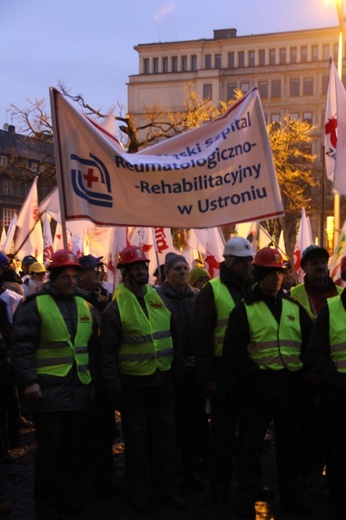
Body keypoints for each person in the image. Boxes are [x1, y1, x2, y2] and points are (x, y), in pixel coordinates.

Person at [223, 247, 313, 519]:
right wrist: (257, 379)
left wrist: (299, 379)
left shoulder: (294, 309)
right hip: (257, 392)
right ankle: (244, 500)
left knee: (290, 449)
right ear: (259, 274)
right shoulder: (244, 310)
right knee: (250, 448)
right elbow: (234, 353)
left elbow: (309, 347)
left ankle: (292, 498)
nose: (276, 278)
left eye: (280, 273)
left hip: (289, 389)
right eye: (271, 273)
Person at [10, 249, 99, 520]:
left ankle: (67, 498)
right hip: (47, 394)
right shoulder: (34, 305)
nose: (72, 280)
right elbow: (22, 347)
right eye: (66, 276)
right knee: (50, 454)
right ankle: (45, 503)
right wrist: (29, 382)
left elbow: (93, 348)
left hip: (78, 391)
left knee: (73, 451)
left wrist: (93, 381)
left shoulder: (85, 306)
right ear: (54, 277)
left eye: (75, 275)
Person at [100, 246, 186, 512]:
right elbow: (107, 354)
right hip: (133, 387)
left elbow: (175, 339)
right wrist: (114, 390)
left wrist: (177, 373)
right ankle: (139, 491)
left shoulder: (160, 300)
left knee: (166, 440)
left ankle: (168, 490)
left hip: (162, 383)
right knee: (136, 444)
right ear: (125, 273)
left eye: (143, 266)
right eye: (135, 267)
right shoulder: (114, 309)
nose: (141, 271)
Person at [193, 236, 254, 504]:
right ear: (230, 262)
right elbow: (202, 335)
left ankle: (248, 485)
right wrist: (207, 376)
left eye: (250, 261)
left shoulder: (253, 288)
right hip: (222, 374)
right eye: (243, 262)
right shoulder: (212, 290)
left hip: (250, 372)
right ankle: (220, 488)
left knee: (251, 436)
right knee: (223, 436)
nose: (249, 266)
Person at [156, 252, 210, 489]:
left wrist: (200, 357)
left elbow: (203, 330)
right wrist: (179, 361)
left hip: (195, 372)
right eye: (176, 269)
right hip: (171, 372)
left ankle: (191, 470)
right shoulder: (158, 299)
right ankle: (172, 473)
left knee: (195, 424)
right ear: (166, 274)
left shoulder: (197, 297)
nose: (182, 273)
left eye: (184, 268)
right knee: (172, 425)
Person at [291, 244, 342, 480]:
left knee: (332, 432)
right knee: (305, 430)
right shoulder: (292, 296)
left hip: (334, 377)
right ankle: (306, 475)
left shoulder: (340, 296)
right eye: (314, 263)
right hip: (304, 374)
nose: (320, 266)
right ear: (304, 268)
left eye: (323, 262)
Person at [306, 255, 346, 520]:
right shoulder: (331, 309)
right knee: (340, 455)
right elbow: (316, 352)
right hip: (339, 397)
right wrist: (334, 380)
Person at [76, 254, 114, 493]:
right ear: (80, 275)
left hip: (102, 378)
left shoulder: (99, 299)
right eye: (94, 269)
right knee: (85, 435)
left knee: (104, 432)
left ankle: (104, 479)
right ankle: (86, 482)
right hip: (84, 380)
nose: (99, 272)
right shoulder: (74, 303)